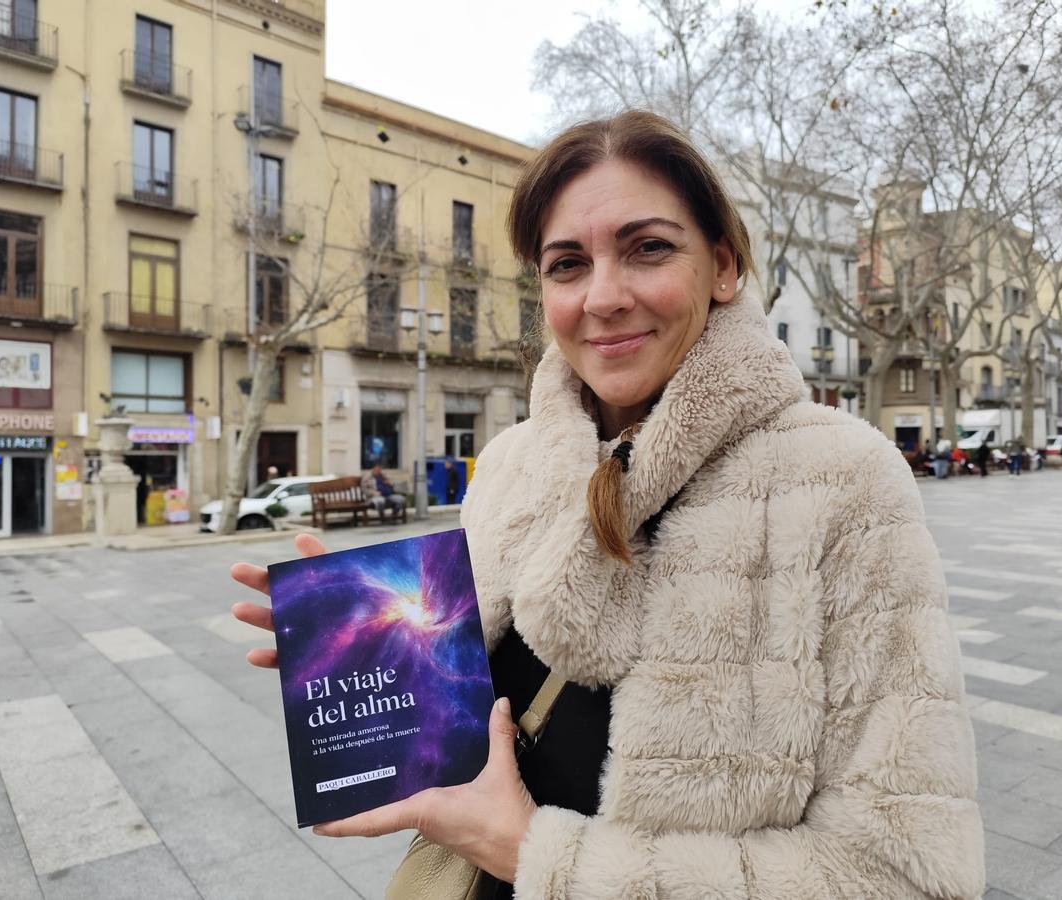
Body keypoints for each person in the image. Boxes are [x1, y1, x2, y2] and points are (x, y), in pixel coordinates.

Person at [230, 111, 984, 898]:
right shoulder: (513, 467)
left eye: (647, 248)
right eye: (566, 264)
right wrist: (369, 665)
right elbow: (481, 735)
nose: (604, 296)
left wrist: (540, 859)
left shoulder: (843, 482)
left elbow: (908, 873)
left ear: (722, 267)